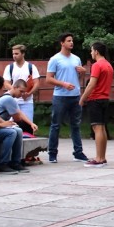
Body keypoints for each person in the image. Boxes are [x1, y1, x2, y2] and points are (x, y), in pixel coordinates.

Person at [45, 32, 88, 163]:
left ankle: (78, 153)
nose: (71, 43)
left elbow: (78, 78)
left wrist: (83, 73)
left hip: (75, 96)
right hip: (60, 97)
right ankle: (52, 153)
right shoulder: (55, 59)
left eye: (72, 40)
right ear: (62, 43)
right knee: (56, 125)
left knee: (75, 125)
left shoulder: (76, 59)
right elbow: (48, 79)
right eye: (68, 40)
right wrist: (63, 84)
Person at [79, 42, 114, 167]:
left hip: (95, 99)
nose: (91, 53)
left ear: (96, 52)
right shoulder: (108, 65)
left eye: (91, 50)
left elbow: (91, 84)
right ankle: (102, 157)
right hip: (105, 99)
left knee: (97, 129)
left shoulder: (97, 65)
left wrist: (83, 98)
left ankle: (98, 159)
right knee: (102, 128)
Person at [2, 44, 41, 123]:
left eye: (16, 54)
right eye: (13, 54)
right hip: (12, 100)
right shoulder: (9, 67)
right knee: (11, 125)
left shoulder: (31, 67)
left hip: (27, 101)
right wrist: (16, 91)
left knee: (28, 126)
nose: (14, 56)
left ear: (23, 54)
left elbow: (37, 83)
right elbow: (6, 83)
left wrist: (28, 93)